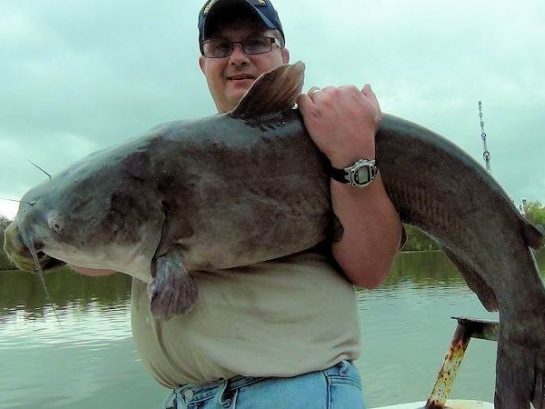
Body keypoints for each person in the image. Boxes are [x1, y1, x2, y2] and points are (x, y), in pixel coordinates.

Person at [74, 0, 403, 408]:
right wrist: (47, 234)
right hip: (186, 399)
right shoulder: (165, 162)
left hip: (294, 394)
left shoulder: (331, 145)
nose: (238, 58)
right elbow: (93, 257)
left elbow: (371, 269)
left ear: (284, 55)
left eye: (255, 43)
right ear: (203, 64)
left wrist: (354, 159)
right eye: (220, 47)